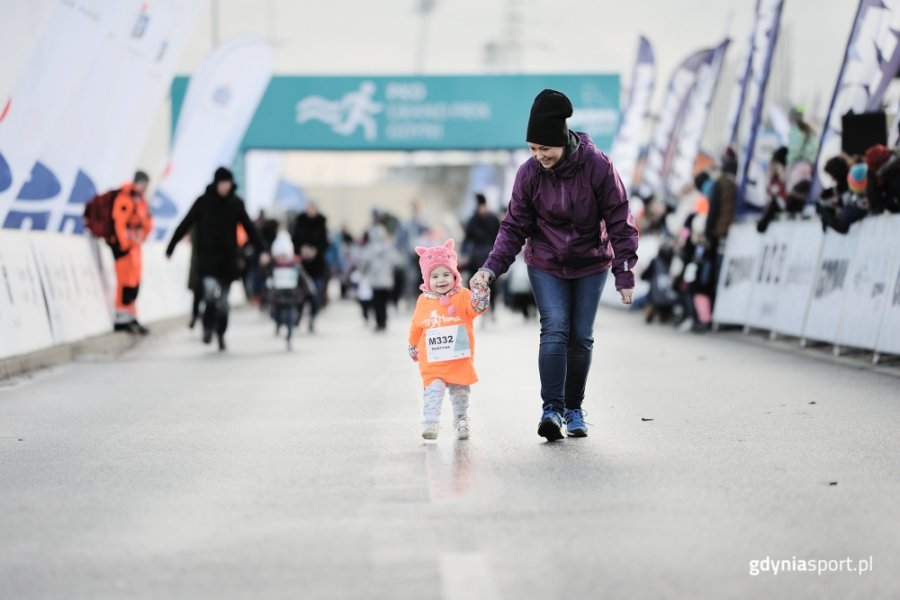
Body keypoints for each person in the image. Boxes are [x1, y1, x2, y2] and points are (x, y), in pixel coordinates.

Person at [470, 89, 639, 441]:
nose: (539, 156)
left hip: (591, 262)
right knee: (555, 328)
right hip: (546, 261)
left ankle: (574, 409)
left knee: (581, 337)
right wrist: (489, 269)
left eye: (544, 148)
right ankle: (551, 409)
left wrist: (624, 272)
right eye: (532, 149)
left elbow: (620, 218)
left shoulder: (598, 166)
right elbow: (514, 226)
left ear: (562, 140)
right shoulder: (529, 174)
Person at [165, 167, 267, 351]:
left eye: (227, 183)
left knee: (224, 305)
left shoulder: (236, 203)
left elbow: (250, 228)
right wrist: (171, 246)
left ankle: (221, 334)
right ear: (216, 183)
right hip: (208, 260)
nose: (224, 187)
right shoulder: (203, 202)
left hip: (228, 261)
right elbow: (185, 223)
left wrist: (262, 251)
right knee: (210, 295)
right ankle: (207, 329)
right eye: (221, 183)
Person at [408, 240, 490, 440]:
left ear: (455, 275)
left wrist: (480, 292)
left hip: (458, 358)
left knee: (460, 392)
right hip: (432, 359)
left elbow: (477, 308)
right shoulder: (424, 300)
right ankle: (430, 422)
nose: (441, 280)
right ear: (427, 280)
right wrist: (412, 344)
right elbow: (417, 325)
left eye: (446, 274)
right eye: (434, 276)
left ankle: (461, 418)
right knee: (433, 392)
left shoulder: (462, 296)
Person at [111, 170, 153, 334]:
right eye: (143, 183)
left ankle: (130, 316)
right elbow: (119, 222)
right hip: (126, 247)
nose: (144, 188)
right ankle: (121, 317)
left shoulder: (141, 200)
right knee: (125, 281)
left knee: (134, 282)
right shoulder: (125, 197)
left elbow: (145, 222)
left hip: (136, 246)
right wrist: (123, 244)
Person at [291, 202, 329, 332]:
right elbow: (294, 241)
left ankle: (313, 317)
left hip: (317, 266)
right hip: (302, 266)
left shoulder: (321, 223)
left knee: (316, 294)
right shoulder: (299, 222)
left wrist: (315, 251)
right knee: (300, 294)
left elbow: (325, 243)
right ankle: (298, 315)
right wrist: (302, 250)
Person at [361, 224, 401, 331]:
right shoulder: (388, 247)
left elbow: (364, 263)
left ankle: (379, 322)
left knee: (376, 302)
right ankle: (383, 321)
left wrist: (364, 273)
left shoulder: (370, 248)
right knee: (384, 302)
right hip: (386, 280)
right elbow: (397, 261)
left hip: (374, 281)